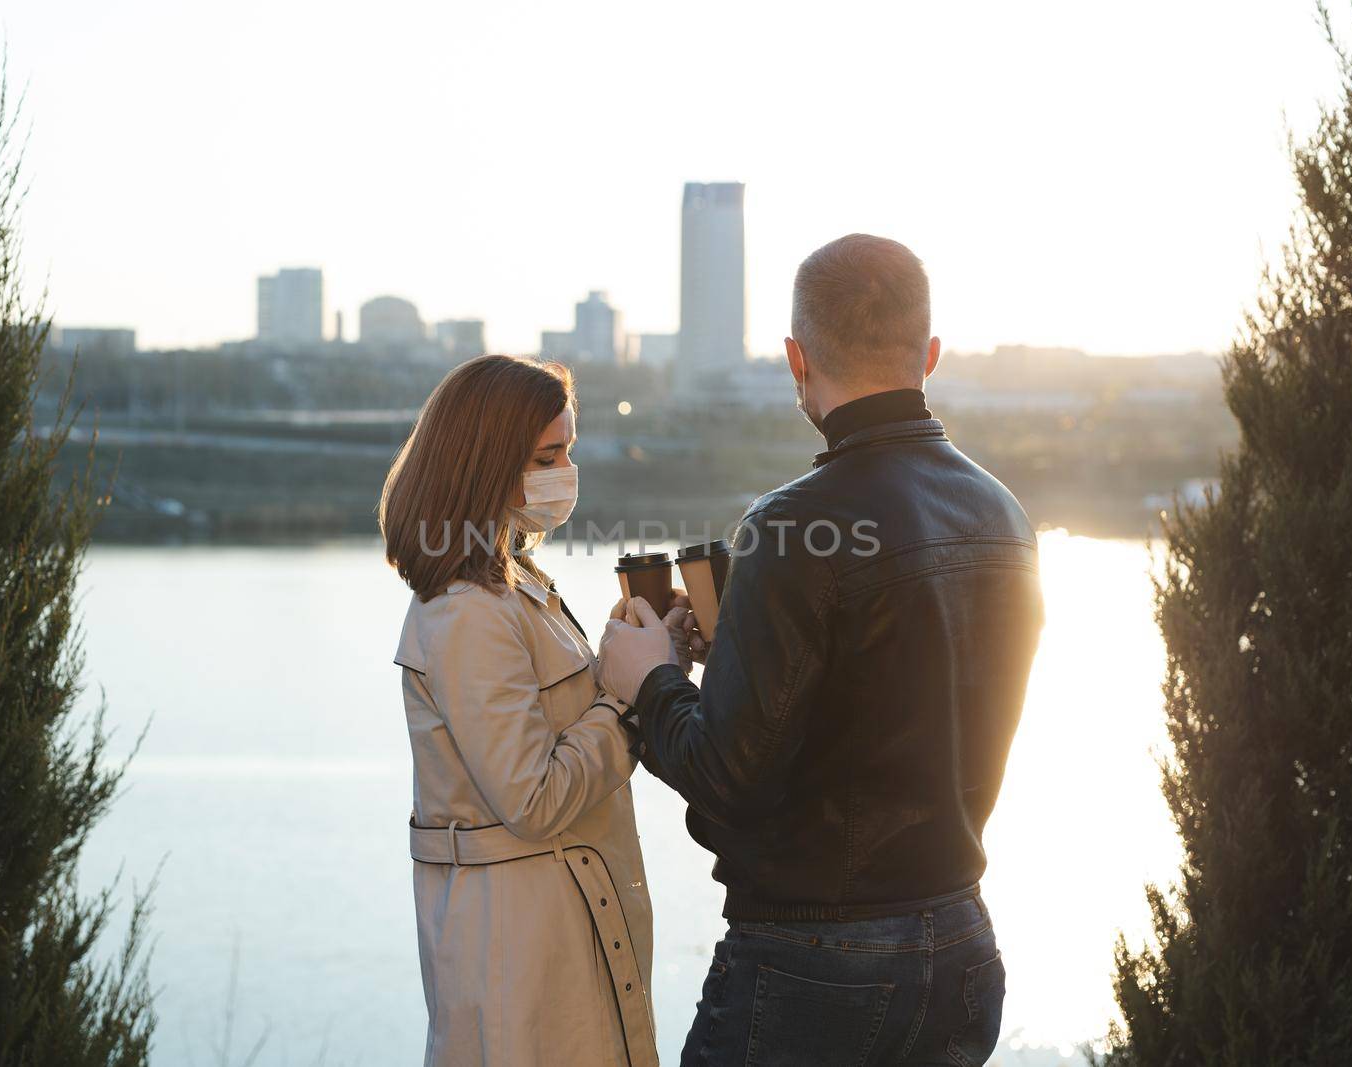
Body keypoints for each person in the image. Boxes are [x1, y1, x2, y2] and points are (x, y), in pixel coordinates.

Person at [597, 234, 1045, 1066]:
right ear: (931, 355)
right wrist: (740, 653)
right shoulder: (1005, 516)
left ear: (796, 359)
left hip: (816, 965)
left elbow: (728, 779)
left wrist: (649, 680)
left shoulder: (792, 524)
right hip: (962, 945)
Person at [380, 354, 658, 1066]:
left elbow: (561, 725)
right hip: (522, 950)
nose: (566, 469)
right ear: (487, 461)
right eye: (547, 454)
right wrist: (625, 697)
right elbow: (531, 797)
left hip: (557, 924)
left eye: (568, 448)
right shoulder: (468, 611)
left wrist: (648, 658)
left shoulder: (515, 582)